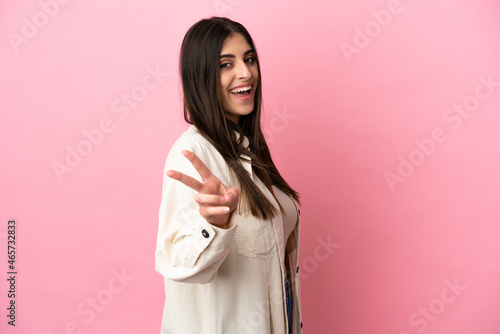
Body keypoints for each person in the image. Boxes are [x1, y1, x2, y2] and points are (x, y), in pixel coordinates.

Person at [155, 16, 303, 334]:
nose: (245, 72)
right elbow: (177, 262)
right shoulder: (193, 155)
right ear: (201, 76)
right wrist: (213, 224)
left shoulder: (247, 150)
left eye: (249, 59)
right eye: (226, 64)